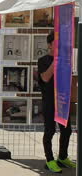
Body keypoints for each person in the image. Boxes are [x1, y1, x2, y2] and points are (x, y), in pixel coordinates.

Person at [38, 32, 76, 173]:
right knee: (50, 130)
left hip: (62, 100)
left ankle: (62, 157)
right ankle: (49, 160)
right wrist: (56, 61)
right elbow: (46, 78)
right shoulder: (43, 60)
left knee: (67, 130)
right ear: (50, 45)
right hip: (49, 101)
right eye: (56, 43)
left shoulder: (66, 60)